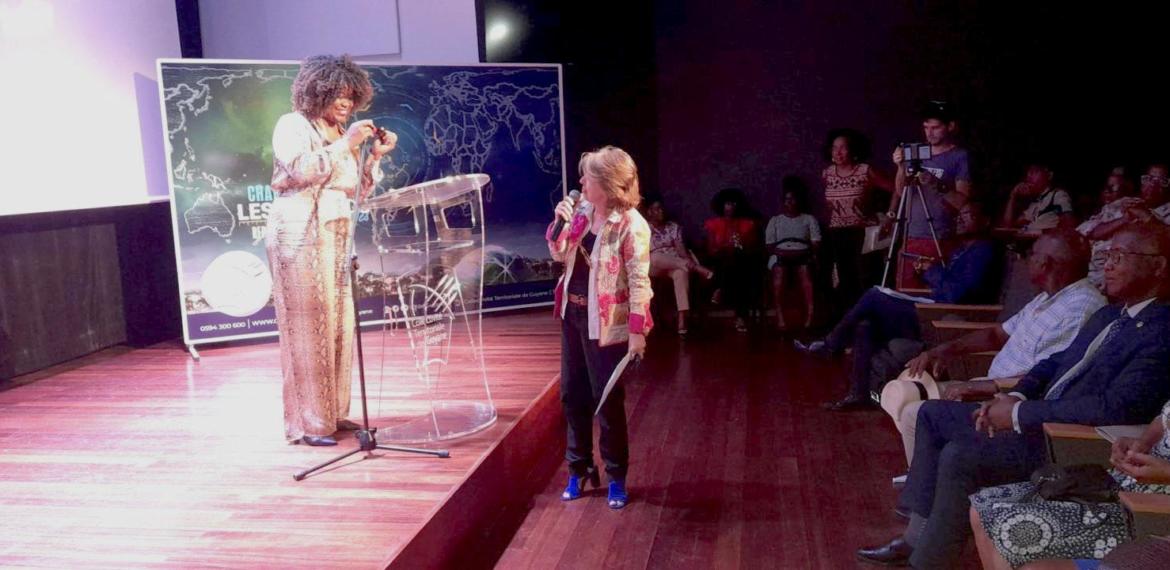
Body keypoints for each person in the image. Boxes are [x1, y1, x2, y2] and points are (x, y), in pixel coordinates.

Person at [856, 224, 1170, 568]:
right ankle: (915, 536)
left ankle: (925, 561)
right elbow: (1055, 362)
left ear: (1158, 266)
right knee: (932, 413)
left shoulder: (1161, 329)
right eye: (1106, 255)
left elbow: (1115, 408)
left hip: (1068, 439)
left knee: (961, 456)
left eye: (1119, 257)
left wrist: (1020, 415)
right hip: (1040, 416)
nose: (1107, 265)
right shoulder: (1111, 314)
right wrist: (1016, 396)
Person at [882, 230, 1106, 466]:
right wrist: (944, 350)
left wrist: (983, 387)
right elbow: (997, 334)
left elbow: (1051, 378)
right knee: (907, 397)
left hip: (1009, 402)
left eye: (1031, 254)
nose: (1027, 260)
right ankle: (923, 477)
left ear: (1044, 263)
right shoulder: (1047, 298)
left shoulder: (1080, 309)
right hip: (986, 386)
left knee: (914, 414)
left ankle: (920, 483)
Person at [265, 55, 397, 447]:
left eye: (351, 95)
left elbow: (358, 189)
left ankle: (333, 412)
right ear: (316, 90)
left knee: (340, 325)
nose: (345, 102)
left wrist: (373, 156)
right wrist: (348, 142)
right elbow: (301, 169)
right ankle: (308, 424)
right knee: (308, 328)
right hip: (299, 231)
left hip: (338, 231)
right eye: (338, 93)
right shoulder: (292, 124)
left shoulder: (340, 131)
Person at [796, 202, 998, 411]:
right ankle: (859, 394)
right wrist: (929, 271)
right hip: (933, 306)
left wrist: (931, 271)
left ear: (985, 221)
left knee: (874, 296)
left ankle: (830, 345)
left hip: (941, 317)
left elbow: (954, 294)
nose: (960, 219)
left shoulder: (983, 251)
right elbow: (946, 285)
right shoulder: (962, 250)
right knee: (865, 323)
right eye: (960, 215)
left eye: (969, 214)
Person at [547, 145, 653, 510]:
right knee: (572, 395)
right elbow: (559, 254)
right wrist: (559, 224)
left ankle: (616, 475)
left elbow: (639, 281)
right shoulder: (582, 210)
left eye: (588, 177)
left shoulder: (631, 225)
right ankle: (578, 469)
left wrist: (637, 332)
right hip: (573, 315)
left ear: (607, 184)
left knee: (606, 400)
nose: (580, 181)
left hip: (606, 325)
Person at [969, 400, 1170, 569]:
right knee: (983, 506)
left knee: (1011, 530)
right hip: (1122, 482)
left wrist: (1165, 473)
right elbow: (1163, 419)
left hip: (1149, 509)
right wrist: (1142, 443)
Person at [889, 100, 973, 289]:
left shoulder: (959, 156)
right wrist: (900, 167)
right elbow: (901, 191)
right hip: (912, 233)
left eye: (935, 128)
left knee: (936, 291)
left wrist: (935, 183)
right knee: (905, 291)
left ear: (950, 126)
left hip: (941, 234)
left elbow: (962, 201)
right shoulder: (915, 151)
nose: (929, 133)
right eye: (926, 127)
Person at [820, 128, 891, 310]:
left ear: (853, 150)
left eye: (843, 148)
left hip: (862, 232)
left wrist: (890, 215)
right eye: (834, 148)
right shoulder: (827, 173)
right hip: (837, 232)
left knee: (865, 277)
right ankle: (848, 318)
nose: (838, 152)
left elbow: (896, 189)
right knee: (844, 279)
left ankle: (869, 316)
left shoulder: (865, 171)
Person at [1079, 164, 1170, 288]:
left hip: (1125, 276)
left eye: (1162, 181)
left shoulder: (1166, 212)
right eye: (1148, 179)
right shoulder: (1125, 203)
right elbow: (1094, 232)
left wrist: (1146, 216)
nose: (1152, 185)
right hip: (1092, 269)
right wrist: (1124, 219)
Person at [644, 196, 713, 335]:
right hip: (653, 265)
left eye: (661, 208)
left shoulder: (673, 227)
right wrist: (692, 264)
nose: (661, 211)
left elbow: (681, 250)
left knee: (682, 273)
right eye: (657, 209)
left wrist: (687, 259)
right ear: (649, 211)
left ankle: (682, 317)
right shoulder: (643, 227)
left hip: (673, 262)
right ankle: (696, 268)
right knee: (655, 257)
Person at [765, 177, 821, 330]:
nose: (789, 203)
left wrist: (804, 251)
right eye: (786, 200)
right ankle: (780, 317)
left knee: (805, 272)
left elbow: (816, 243)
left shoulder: (808, 219)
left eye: (792, 199)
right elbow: (769, 245)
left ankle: (810, 316)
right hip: (780, 255)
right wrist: (783, 252)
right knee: (779, 272)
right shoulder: (775, 220)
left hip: (803, 254)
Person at [704, 188, 761, 332]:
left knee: (738, 263)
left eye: (734, 204)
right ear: (722, 205)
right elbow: (711, 250)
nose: (732, 207)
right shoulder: (713, 223)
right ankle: (740, 317)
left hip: (742, 262)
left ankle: (720, 288)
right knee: (730, 262)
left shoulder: (748, 224)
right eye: (728, 203)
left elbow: (752, 249)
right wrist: (726, 245)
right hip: (720, 260)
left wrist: (740, 244)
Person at [1001, 162, 1075, 232]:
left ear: (1049, 175)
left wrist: (1041, 233)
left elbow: (1069, 227)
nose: (1029, 177)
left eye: (1035, 172)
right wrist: (1013, 195)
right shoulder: (1034, 204)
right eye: (1028, 173)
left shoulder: (1058, 195)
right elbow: (1007, 226)